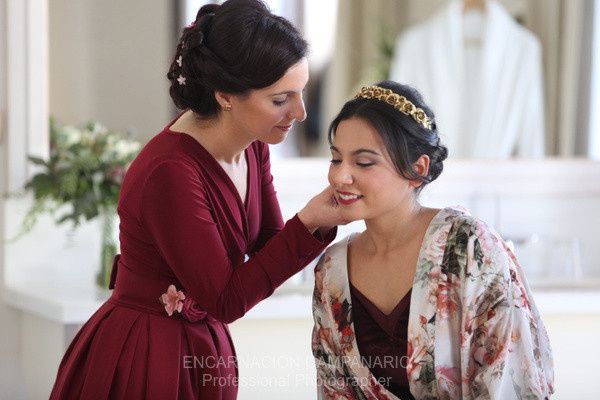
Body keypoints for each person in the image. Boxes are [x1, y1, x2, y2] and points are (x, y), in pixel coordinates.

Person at [50, 1, 346, 398]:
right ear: (226, 96)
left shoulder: (253, 145)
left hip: (204, 349)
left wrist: (324, 218)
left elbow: (269, 246)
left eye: (301, 92)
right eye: (280, 99)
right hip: (148, 355)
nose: (301, 112)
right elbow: (226, 299)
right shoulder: (170, 172)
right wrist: (309, 221)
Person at [311, 81, 554, 399]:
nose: (340, 176)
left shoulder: (470, 248)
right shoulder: (332, 270)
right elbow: (333, 389)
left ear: (417, 168)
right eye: (335, 159)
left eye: (364, 162)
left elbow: (509, 379)